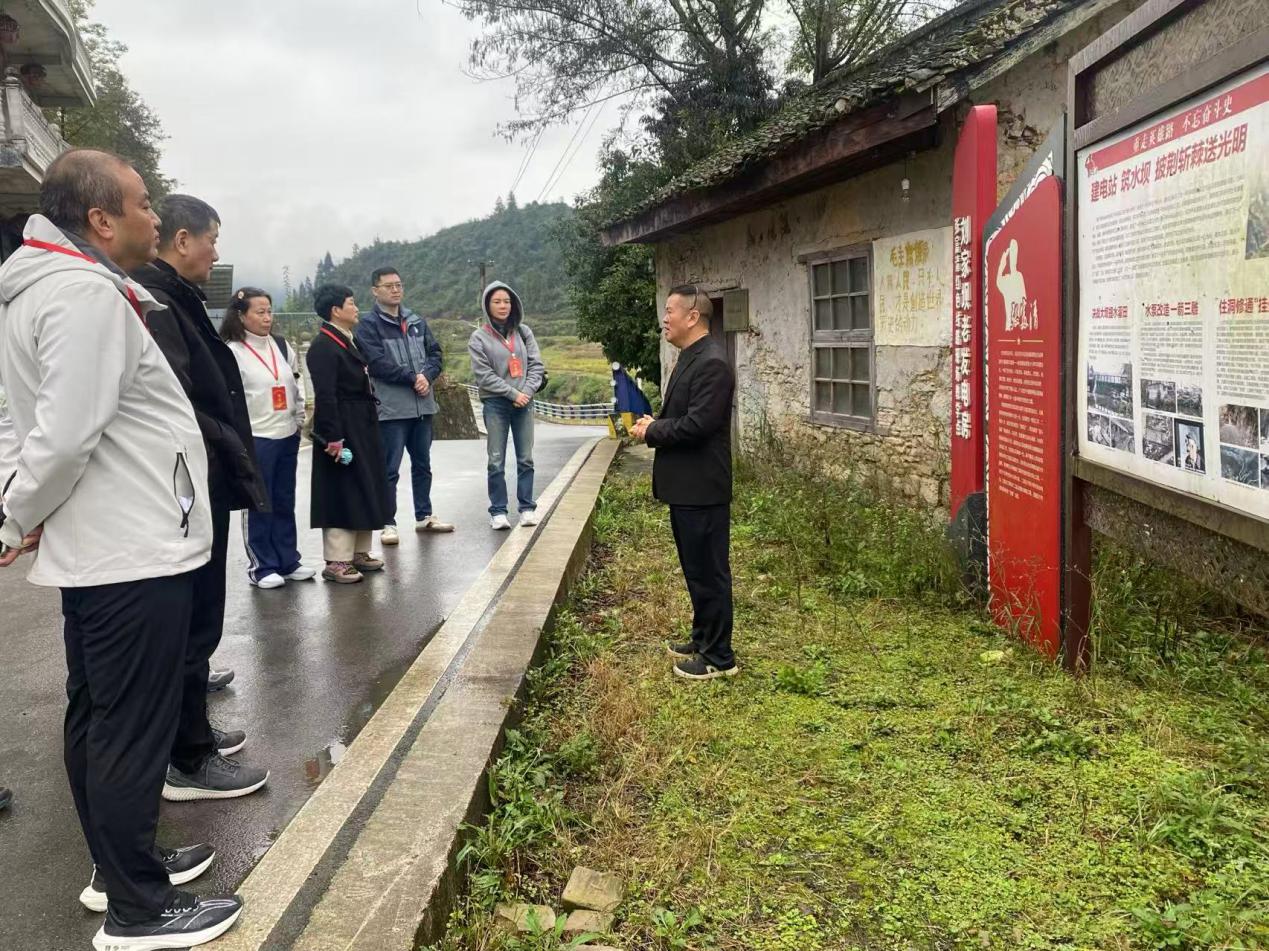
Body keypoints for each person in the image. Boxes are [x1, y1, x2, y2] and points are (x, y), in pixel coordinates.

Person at [0, 149, 242, 948]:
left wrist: (16, 503)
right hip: (131, 547)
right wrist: (14, 515)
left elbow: (18, 423)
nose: (154, 215)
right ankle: (138, 909)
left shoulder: (44, 289)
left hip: (106, 543)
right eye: (141, 203)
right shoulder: (82, 295)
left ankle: (122, 865)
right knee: (128, 727)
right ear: (101, 220)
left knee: (100, 714)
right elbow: (63, 433)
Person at [130, 195, 272, 807]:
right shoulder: (153, 298)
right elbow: (178, 399)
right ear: (183, 240)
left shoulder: (175, 294)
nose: (216, 251)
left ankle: (194, 735)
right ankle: (187, 759)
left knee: (202, 617)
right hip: (189, 478)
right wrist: (226, 444)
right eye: (211, 238)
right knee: (191, 621)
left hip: (202, 473)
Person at [631, 286, 738, 681]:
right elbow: (683, 414)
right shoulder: (691, 357)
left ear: (693, 316)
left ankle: (720, 658)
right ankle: (703, 638)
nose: (665, 318)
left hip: (703, 487)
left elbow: (698, 425)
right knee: (696, 571)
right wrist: (656, 424)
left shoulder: (712, 363)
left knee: (710, 573)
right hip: (687, 487)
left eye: (670, 310)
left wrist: (653, 430)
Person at [353, 267, 453, 545]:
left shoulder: (416, 321)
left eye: (398, 285)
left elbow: (435, 354)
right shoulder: (369, 326)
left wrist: (427, 376)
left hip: (423, 406)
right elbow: (376, 363)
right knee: (389, 469)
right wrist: (412, 378)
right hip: (392, 410)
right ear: (375, 291)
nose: (395, 290)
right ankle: (388, 522)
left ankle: (424, 515)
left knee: (423, 464)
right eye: (389, 286)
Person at [221, 288, 309, 589]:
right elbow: (229, 399)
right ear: (241, 315)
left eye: (269, 311)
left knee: (284, 498)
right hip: (256, 437)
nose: (267, 317)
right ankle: (262, 565)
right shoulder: (232, 351)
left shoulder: (281, 345)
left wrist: (299, 420)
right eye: (260, 312)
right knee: (259, 501)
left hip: (287, 433)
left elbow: (296, 383)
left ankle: (288, 559)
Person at [307, 284, 392, 583]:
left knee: (363, 485)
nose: (356, 308)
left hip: (361, 422)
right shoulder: (323, 346)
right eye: (351, 303)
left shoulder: (347, 339)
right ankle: (336, 560)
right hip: (341, 425)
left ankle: (358, 552)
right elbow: (326, 395)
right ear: (335, 310)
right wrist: (333, 436)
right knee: (342, 490)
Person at [468, 281, 545, 530]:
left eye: (507, 301)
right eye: (497, 301)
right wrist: (513, 393)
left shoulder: (523, 332)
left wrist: (526, 392)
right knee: (495, 459)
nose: (503, 306)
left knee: (526, 458)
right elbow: (484, 376)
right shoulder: (478, 338)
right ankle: (498, 511)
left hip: (524, 402)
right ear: (487, 305)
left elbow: (536, 366)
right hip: (496, 403)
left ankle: (527, 508)